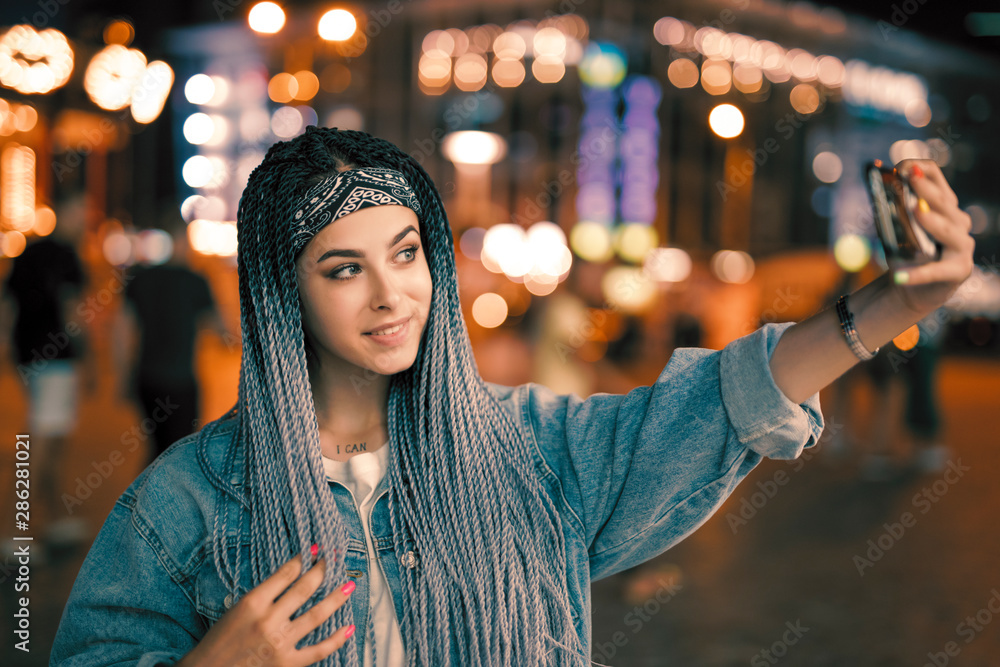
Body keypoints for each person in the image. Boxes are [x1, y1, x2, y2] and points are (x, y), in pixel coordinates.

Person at [49, 128, 975, 667]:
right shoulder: (184, 504)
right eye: (344, 268)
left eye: (408, 253)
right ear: (280, 291)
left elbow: (720, 406)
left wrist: (896, 299)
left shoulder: (530, 446)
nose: (391, 294)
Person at [2, 190, 95, 556]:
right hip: (56, 358)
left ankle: (55, 518)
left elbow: (7, 305)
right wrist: (89, 360)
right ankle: (12, 530)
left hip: (28, 356)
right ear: (66, 212)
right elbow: (74, 314)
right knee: (40, 441)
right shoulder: (67, 256)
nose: (85, 220)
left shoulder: (27, 252)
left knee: (52, 437)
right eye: (81, 212)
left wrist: (9, 349)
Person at [113, 206, 230, 466]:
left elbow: (121, 330)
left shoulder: (140, 278)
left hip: (147, 379)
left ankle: (142, 501)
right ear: (180, 239)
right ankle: (155, 503)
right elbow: (224, 332)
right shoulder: (195, 280)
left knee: (156, 448)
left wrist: (123, 376)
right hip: (180, 381)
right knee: (178, 454)